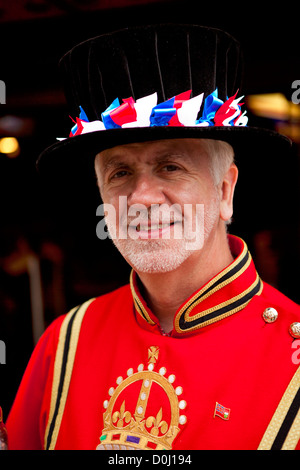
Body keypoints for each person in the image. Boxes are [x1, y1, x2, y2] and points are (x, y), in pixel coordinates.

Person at [5, 24, 300, 450]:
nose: (141, 198)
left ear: (224, 190)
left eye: (171, 166)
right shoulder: (64, 341)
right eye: (120, 173)